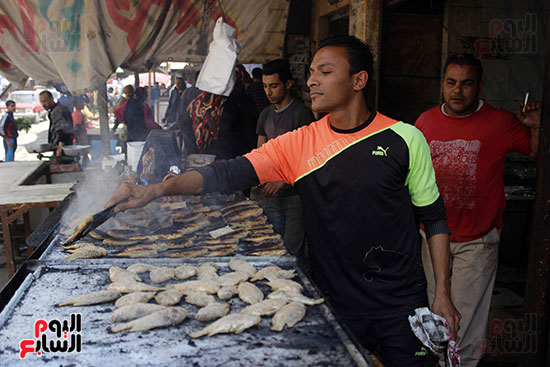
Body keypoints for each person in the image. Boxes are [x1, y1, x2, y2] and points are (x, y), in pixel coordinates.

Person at [107, 36, 460, 366]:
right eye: (311, 74)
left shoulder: (405, 138)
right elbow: (228, 173)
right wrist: (154, 190)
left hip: (402, 304)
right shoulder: (299, 143)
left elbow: (435, 217)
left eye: (325, 72)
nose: (312, 82)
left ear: (358, 80)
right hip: (334, 301)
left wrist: (442, 291)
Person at [416, 53, 541, 367]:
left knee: (466, 321)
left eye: (467, 84)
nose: (458, 91)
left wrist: (536, 127)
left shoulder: (500, 122)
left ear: (480, 87)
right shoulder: (425, 122)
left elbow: (535, 150)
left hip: (478, 239)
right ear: (442, 85)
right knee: (438, 312)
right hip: (434, 237)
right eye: (451, 83)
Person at [256, 58, 315, 264]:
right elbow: (260, 151)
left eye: (274, 85)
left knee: (292, 254)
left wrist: (282, 181)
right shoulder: (265, 115)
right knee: (273, 248)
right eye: (265, 86)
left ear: (288, 84)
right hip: (270, 195)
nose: (268, 92)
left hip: (295, 197)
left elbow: (309, 157)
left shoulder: (302, 114)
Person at [177, 68, 259, 160]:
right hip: (228, 161)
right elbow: (250, 134)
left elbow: (181, 122)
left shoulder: (189, 94)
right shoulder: (239, 99)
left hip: (193, 157)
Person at [39, 90, 74, 158]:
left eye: (45, 101)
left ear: (51, 99)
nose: (43, 104)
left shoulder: (57, 111)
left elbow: (62, 129)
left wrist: (60, 147)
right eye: (41, 102)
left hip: (63, 147)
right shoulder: (55, 109)